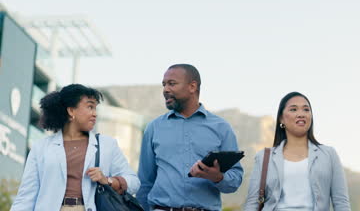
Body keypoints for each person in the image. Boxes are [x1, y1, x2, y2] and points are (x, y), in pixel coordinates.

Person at [11, 84, 140, 211]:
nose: (95, 114)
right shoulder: (41, 148)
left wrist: (107, 180)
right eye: (90, 107)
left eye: (95, 108)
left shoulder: (107, 145)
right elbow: (26, 196)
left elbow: (134, 182)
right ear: (71, 111)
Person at [136, 64, 243, 211]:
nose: (165, 90)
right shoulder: (154, 127)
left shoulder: (221, 128)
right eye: (164, 84)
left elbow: (235, 180)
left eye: (172, 83)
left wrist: (217, 177)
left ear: (192, 87)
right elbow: (145, 182)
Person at [244, 92, 350, 211]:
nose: (301, 114)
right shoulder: (264, 157)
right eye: (293, 109)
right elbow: (252, 202)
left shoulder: (329, 154)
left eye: (306, 110)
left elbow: (341, 202)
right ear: (281, 119)